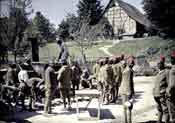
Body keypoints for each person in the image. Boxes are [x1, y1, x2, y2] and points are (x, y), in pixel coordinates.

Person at [119, 56, 135, 123]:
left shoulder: (125, 69)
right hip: (127, 92)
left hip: (123, 91)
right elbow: (129, 82)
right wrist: (130, 93)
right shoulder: (129, 71)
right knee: (129, 108)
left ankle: (126, 121)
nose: (133, 64)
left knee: (125, 108)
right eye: (132, 63)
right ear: (130, 64)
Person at [166, 51, 175, 123]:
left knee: (171, 107)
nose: (171, 59)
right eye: (171, 58)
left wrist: (168, 90)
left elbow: (173, 83)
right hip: (171, 90)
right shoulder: (173, 67)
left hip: (172, 91)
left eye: (173, 58)